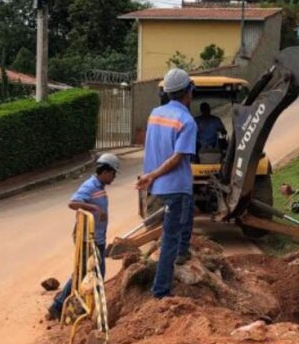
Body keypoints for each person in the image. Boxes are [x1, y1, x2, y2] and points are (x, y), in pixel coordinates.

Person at [136, 68, 198, 299]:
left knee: (187, 215)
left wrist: (151, 176)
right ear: (188, 92)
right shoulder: (186, 121)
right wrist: (154, 174)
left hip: (158, 188)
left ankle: (183, 251)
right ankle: (161, 291)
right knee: (170, 238)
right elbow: (177, 157)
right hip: (176, 186)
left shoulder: (155, 114)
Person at [46, 153, 120, 320]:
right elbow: (73, 203)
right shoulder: (90, 185)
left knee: (96, 273)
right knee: (82, 273)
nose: (114, 177)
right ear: (105, 171)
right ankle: (58, 306)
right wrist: (93, 208)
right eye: (113, 173)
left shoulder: (99, 187)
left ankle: (92, 308)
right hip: (88, 239)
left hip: (97, 238)